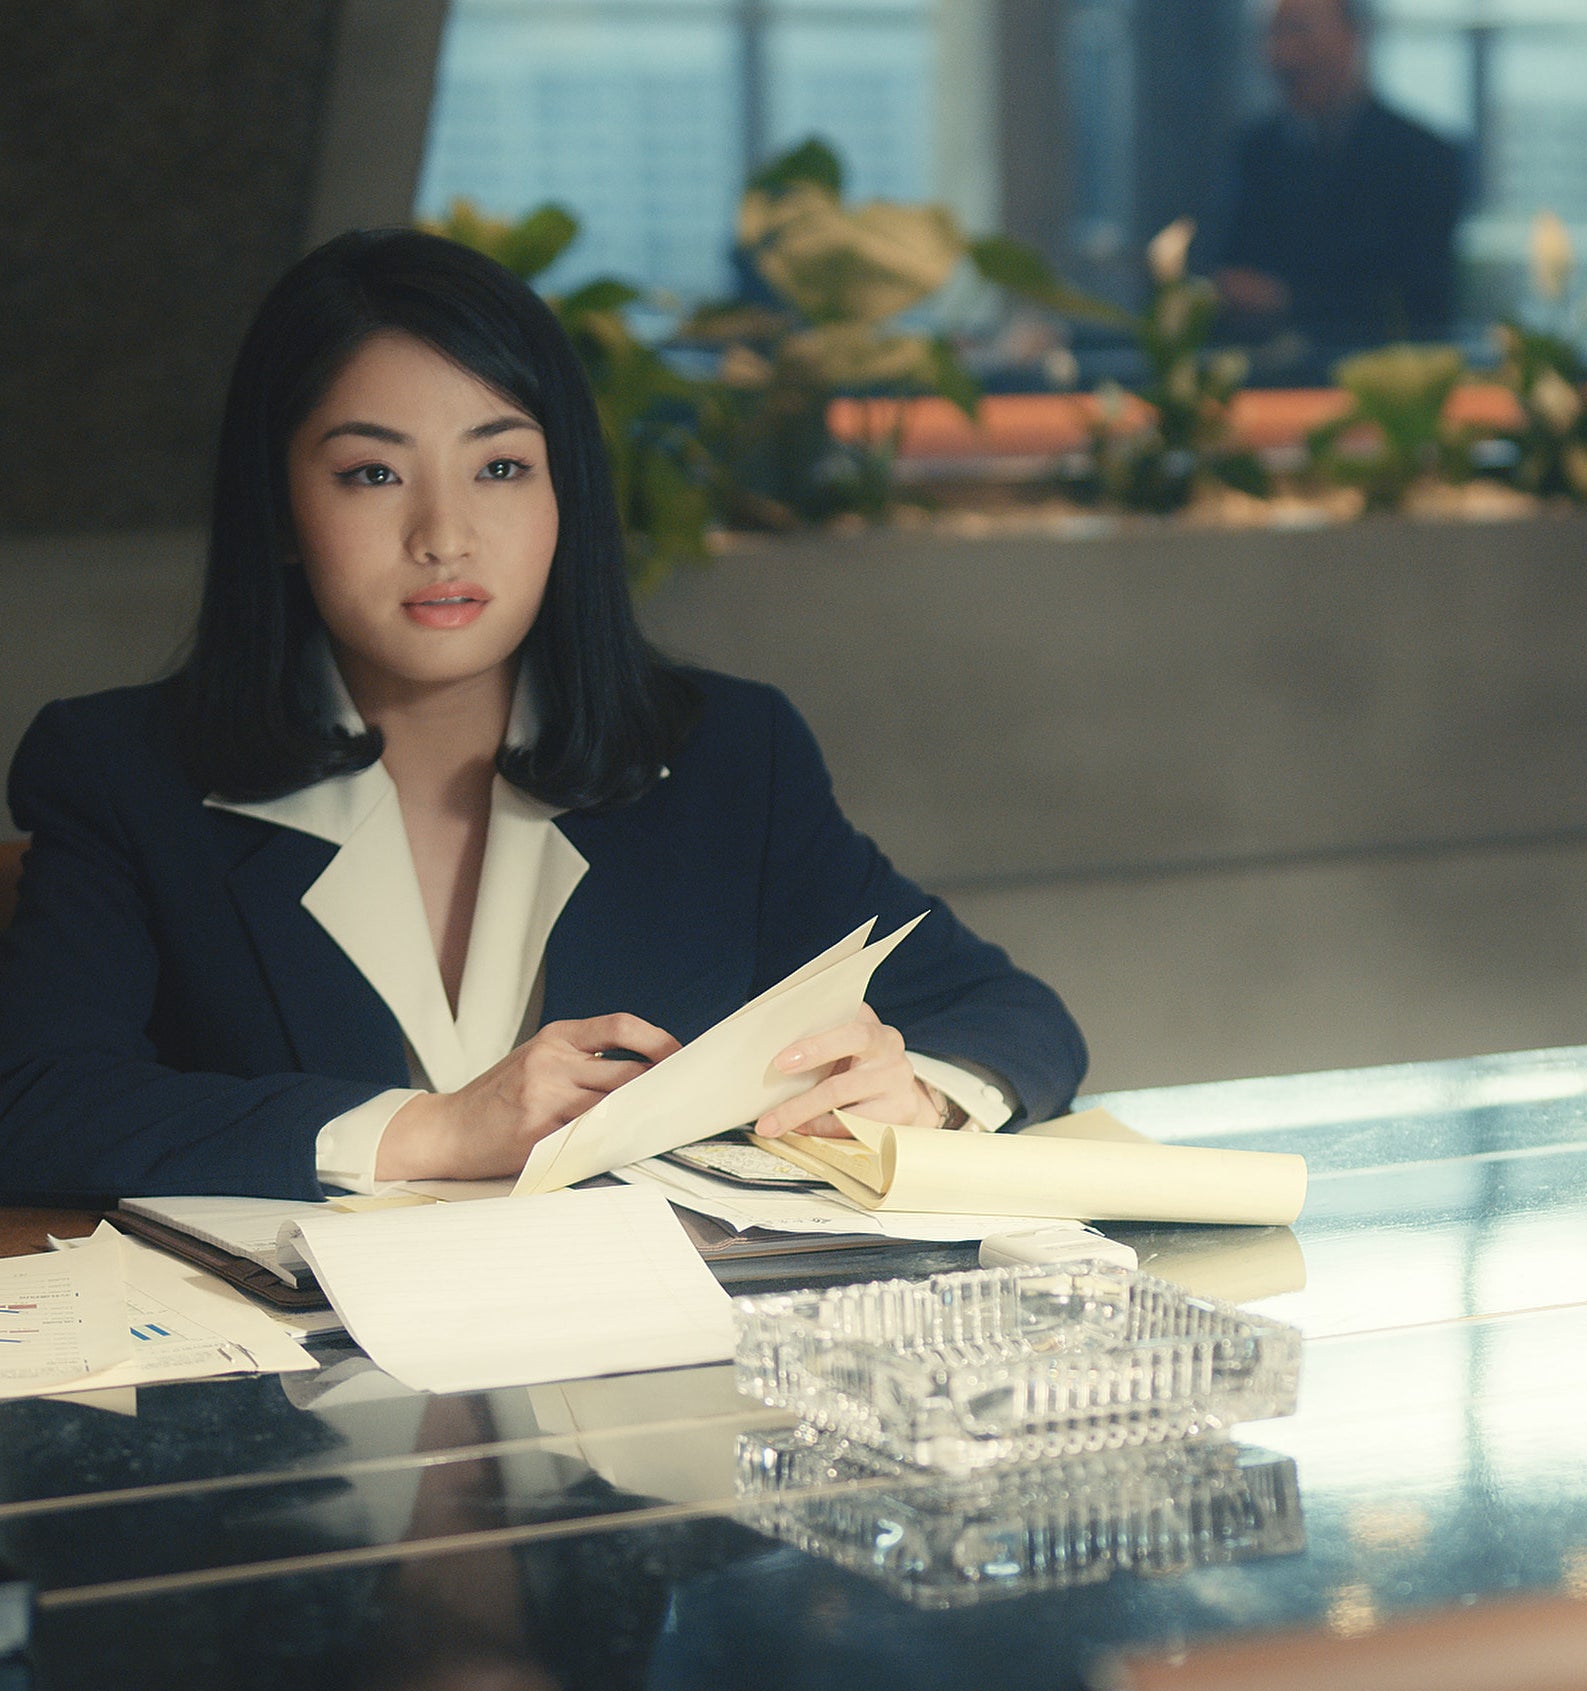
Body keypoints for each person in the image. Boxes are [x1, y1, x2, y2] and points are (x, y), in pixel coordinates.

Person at [0, 229, 1084, 1200]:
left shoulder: (721, 759)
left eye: (502, 467)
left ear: (565, 494)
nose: (445, 535)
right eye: (373, 473)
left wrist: (922, 1097)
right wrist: (432, 1131)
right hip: (290, 1401)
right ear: (281, 512)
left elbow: (1012, 1017)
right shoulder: (123, 773)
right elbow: (34, 1104)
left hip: (633, 1381)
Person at [1213, 0, 1468, 350]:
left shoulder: (1421, 157)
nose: (1282, 55)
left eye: (1299, 32)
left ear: (1353, 37)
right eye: (1273, 35)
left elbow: (1419, 299)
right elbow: (1231, 260)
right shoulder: (1256, 151)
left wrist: (1288, 300)